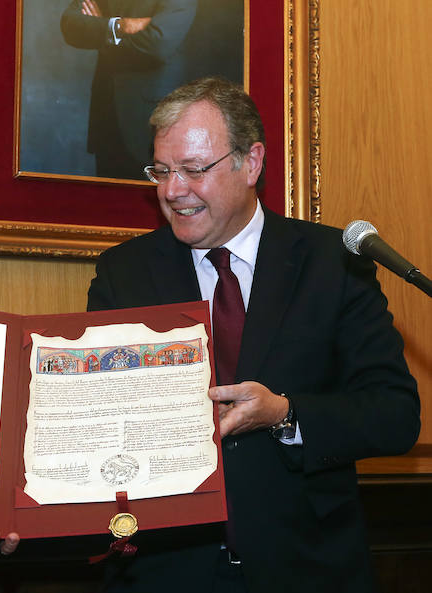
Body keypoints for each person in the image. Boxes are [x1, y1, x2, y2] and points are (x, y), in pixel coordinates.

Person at [87, 78, 420, 591]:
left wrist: (286, 415)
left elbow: (395, 415)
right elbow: (90, 421)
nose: (173, 190)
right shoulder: (123, 275)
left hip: (307, 569)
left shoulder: (333, 264)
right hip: (165, 573)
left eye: (194, 170)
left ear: (252, 162)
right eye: (162, 171)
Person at [61, 0, 197, 180]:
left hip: (153, 119)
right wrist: (118, 25)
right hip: (107, 115)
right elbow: (70, 24)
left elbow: (157, 45)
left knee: (155, 203)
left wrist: (102, 30)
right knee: (109, 204)